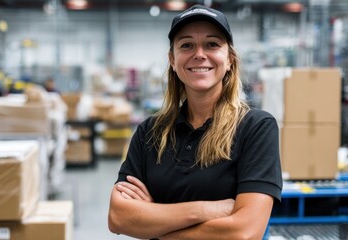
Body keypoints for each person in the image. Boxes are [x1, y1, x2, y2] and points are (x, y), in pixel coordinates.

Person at [108, 4, 282, 240]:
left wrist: (157, 224)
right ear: (172, 59)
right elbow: (119, 218)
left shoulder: (256, 127)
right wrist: (206, 210)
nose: (199, 54)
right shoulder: (150, 132)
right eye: (187, 45)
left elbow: (245, 232)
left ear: (229, 59)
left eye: (212, 44)